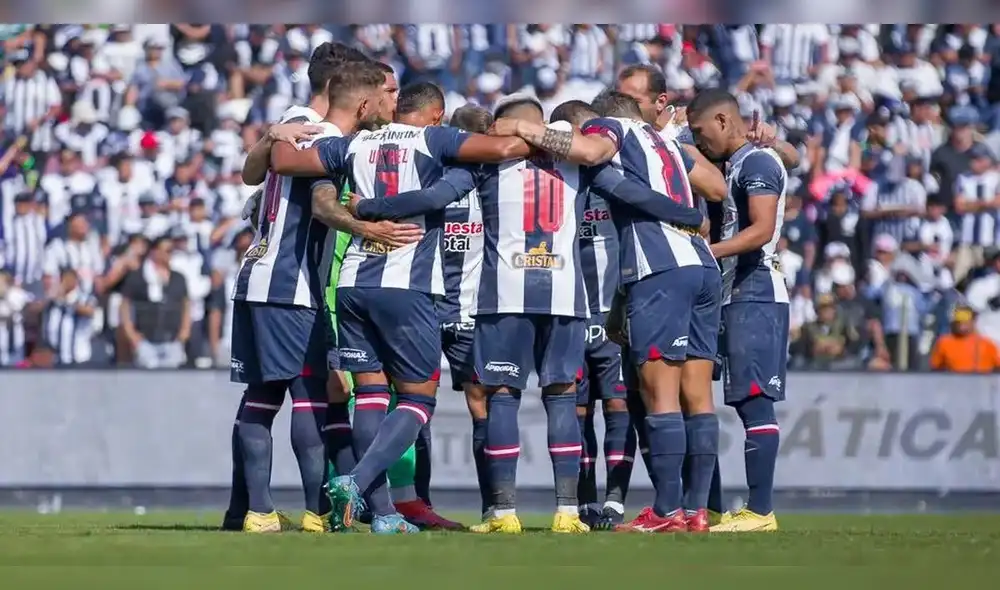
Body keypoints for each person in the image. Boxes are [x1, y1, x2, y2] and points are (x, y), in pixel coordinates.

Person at [343, 93, 705, 533]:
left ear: (504, 128)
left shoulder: (487, 163)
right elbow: (630, 192)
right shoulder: (581, 165)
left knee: (501, 398)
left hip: (505, 295)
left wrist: (367, 209)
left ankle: (503, 512)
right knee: (562, 398)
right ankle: (568, 512)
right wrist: (685, 214)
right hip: (566, 295)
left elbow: (435, 197)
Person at [268, 81, 534, 534]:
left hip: (353, 283)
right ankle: (356, 481)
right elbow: (508, 146)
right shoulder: (437, 139)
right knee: (415, 399)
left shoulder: (355, 142)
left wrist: (277, 133)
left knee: (369, 395)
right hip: (406, 286)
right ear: (436, 113)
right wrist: (523, 127)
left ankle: (385, 515)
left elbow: (285, 161)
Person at [479, 91, 716, 533]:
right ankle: (696, 511)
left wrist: (522, 127)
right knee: (697, 397)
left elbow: (591, 154)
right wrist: (684, 212)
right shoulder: (663, 141)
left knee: (658, 395)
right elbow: (717, 187)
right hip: (702, 264)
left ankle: (666, 513)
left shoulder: (608, 132)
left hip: (656, 267)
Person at [227, 60, 402, 534]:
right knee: (308, 398)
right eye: (385, 95)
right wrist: (364, 224)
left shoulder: (296, 129)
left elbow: (250, 175)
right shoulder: (329, 141)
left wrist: (267, 137)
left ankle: (261, 511)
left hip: (258, 279)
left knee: (262, 397)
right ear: (363, 104)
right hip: (290, 286)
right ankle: (306, 513)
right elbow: (321, 205)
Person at [685, 88, 790, 533]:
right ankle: (708, 508)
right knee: (707, 398)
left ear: (724, 121)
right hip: (733, 293)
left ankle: (761, 512)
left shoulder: (759, 164)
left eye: (700, 130)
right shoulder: (734, 166)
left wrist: (707, 252)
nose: (699, 138)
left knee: (754, 403)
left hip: (758, 291)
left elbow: (763, 230)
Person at [929, 305, 1000, 373]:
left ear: (973, 321)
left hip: (982, 383)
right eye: (959, 321)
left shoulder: (987, 344)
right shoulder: (944, 342)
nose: (962, 324)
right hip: (953, 383)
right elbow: (935, 368)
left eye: (966, 321)